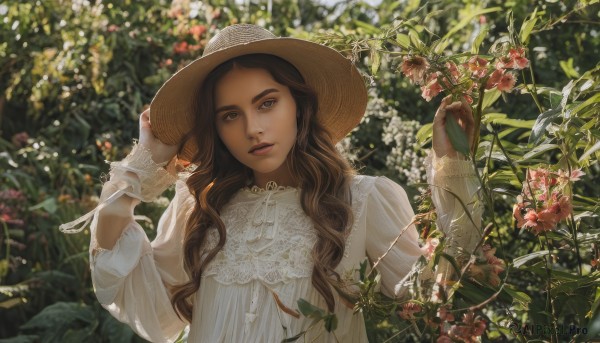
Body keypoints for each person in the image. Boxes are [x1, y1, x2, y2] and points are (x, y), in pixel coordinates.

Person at [60, 24, 481, 342]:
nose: (253, 129)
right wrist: (143, 160)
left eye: (266, 103)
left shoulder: (363, 198)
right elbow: (138, 291)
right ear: (216, 128)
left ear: (298, 103)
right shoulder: (197, 208)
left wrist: (453, 164)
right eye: (230, 115)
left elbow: (430, 291)